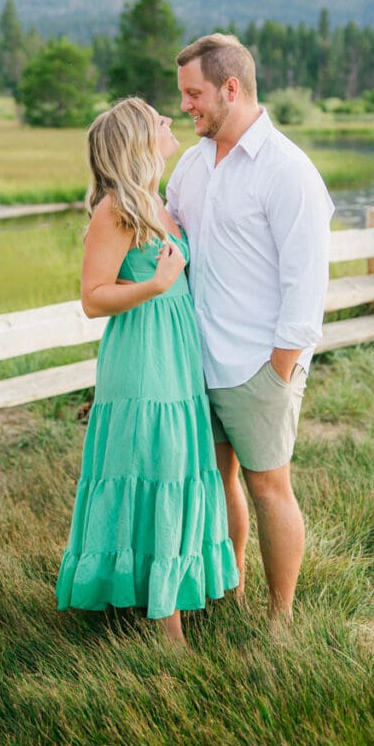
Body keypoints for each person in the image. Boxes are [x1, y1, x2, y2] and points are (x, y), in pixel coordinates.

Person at [56, 97, 239, 643]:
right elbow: (93, 297)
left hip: (177, 352)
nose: (169, 121)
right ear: (139, 140)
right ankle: (167, 624)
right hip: (142, 356)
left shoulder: (158, 203)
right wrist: (155, 287)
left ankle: (168, 588)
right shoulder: (114, 209)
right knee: (158, 467)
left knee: (181, 466)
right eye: (159, 119)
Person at [166, 34, 334, 625]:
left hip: (259, 365)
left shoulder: (288, 171)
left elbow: (306, 282)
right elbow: (167, 236)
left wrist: (281, 368)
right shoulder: (191, 165)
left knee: (270, 490)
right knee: (217, 481)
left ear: (230, 89)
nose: (186, 105)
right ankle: (230, 590)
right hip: (197, 360)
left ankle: (280, 621)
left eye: (194, 94)